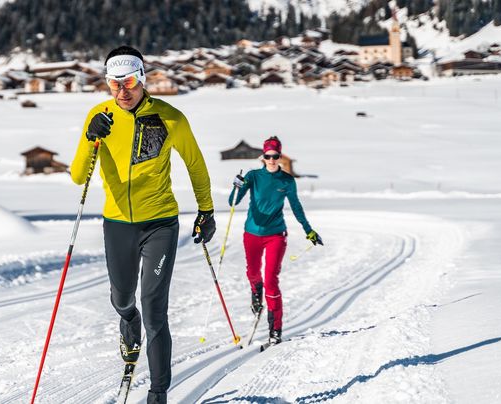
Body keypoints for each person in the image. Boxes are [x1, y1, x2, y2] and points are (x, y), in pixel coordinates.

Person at [70, 45, 215, 404]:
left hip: (160, 224)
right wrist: (90, 137)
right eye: (114, 83)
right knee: (123, 300)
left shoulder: (171, 118)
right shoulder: (99, 117)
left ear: (142, 79)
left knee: (154, 309)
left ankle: (158, 392)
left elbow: (195, 165)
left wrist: (206, 211)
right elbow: (77, 176)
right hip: (117, 224)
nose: (122, 90)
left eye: (129, 81)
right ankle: (127, 321)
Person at [229, 136, 323, 346]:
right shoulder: (253, 176)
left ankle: (275, 329)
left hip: (275, 235)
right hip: (252, 233)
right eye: (268, 156)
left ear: (280, 156)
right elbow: (233, 201)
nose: (272, 160)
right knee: (253, 273)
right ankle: (256, 292)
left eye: (275, 156)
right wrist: (237, 186)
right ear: (263, 156)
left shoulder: (287, 180)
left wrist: (309, 230)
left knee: (271, 280)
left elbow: (296, 207)